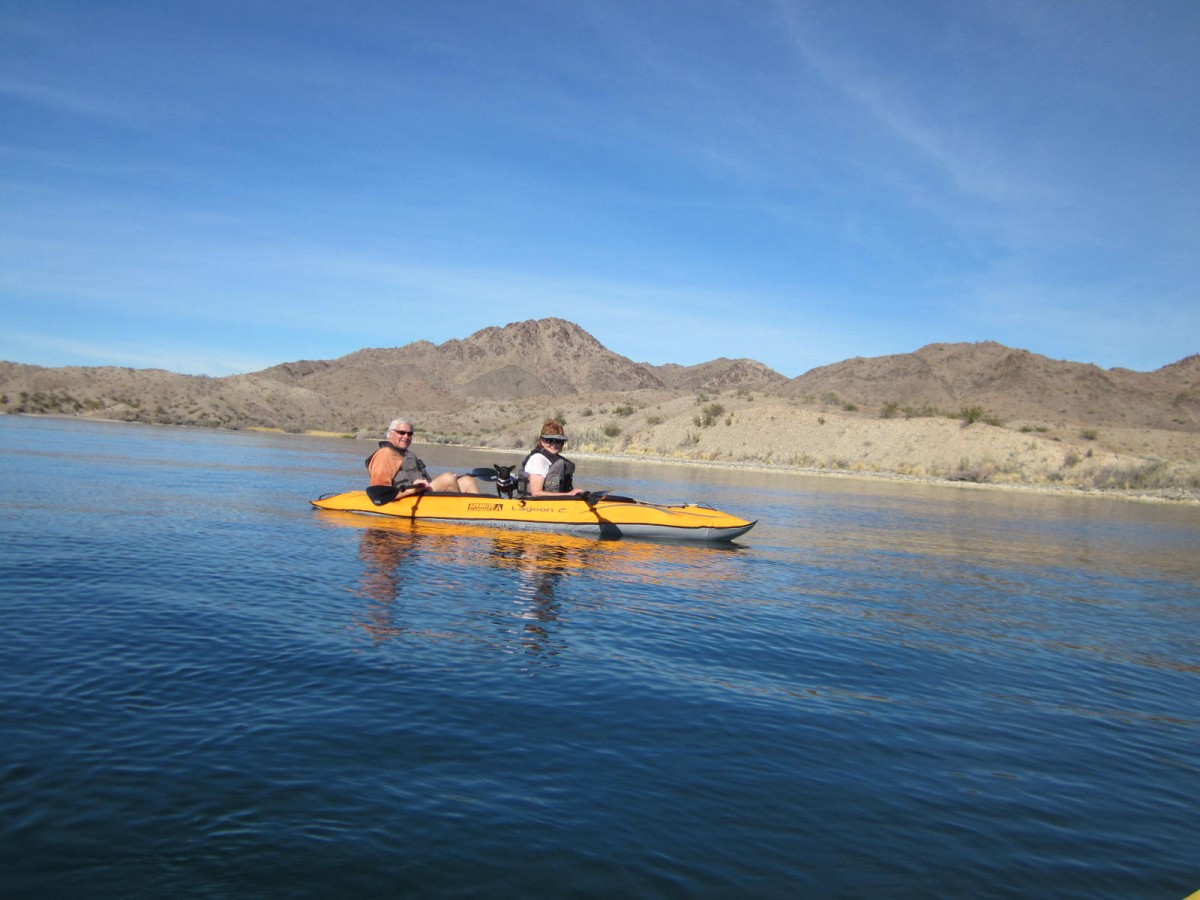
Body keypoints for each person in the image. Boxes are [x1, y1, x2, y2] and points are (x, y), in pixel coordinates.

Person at [366, 418, 480, 501]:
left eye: (409, 434)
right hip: (408, 497)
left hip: (423, 493)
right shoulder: (385, 454)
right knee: (448, 479)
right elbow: (380, 492)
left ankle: (481, 513)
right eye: (401, 432)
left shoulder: (408, 455)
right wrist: (413, 490)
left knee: (467, 480)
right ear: (390, 433)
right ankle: (462, 514)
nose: (406, 436)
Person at [519, 420, 584, 498]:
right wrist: (569, 494)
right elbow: (536, 493)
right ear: (542, 441)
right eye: (549, 440)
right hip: (536, 507)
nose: (554, 444)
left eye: (558, 441)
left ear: (562, 443)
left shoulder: (553, 460)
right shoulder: (539, 460)